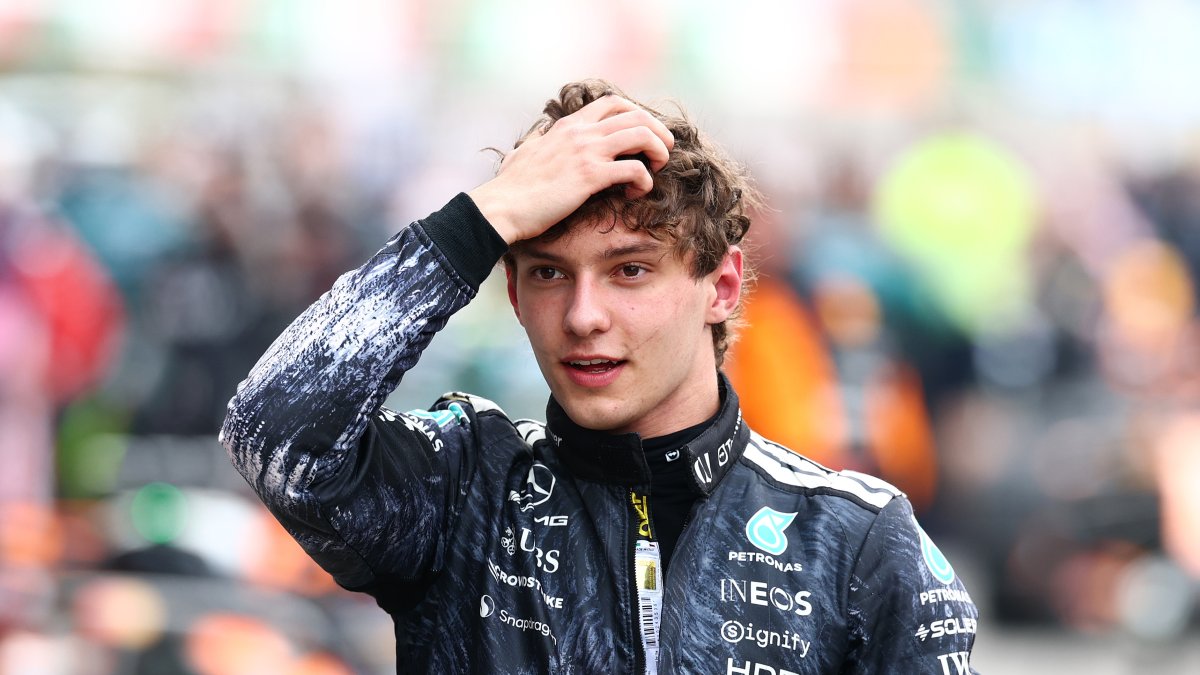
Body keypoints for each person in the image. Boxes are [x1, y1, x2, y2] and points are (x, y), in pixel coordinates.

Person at [221, 80, 980, 674]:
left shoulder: (856, 540)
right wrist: (481, 219)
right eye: (550, 273)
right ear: (514, 294)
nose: (584, 316)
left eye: (630, 270)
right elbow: (271, 432)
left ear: (720, 287)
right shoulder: (463, 488)